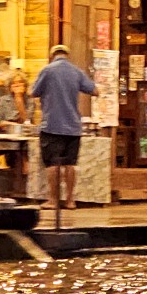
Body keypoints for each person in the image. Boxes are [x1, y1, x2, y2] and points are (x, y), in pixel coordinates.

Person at [31, 44, 97, 209]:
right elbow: (95, 91)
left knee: (52, 164)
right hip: (73, 126)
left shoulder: (47, 70)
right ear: (67, 55)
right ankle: (70, 200)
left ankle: (53, 200)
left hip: (51, 124)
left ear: (52, 55)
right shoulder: (76, 71)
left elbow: (33, 92)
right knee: (70, 163)